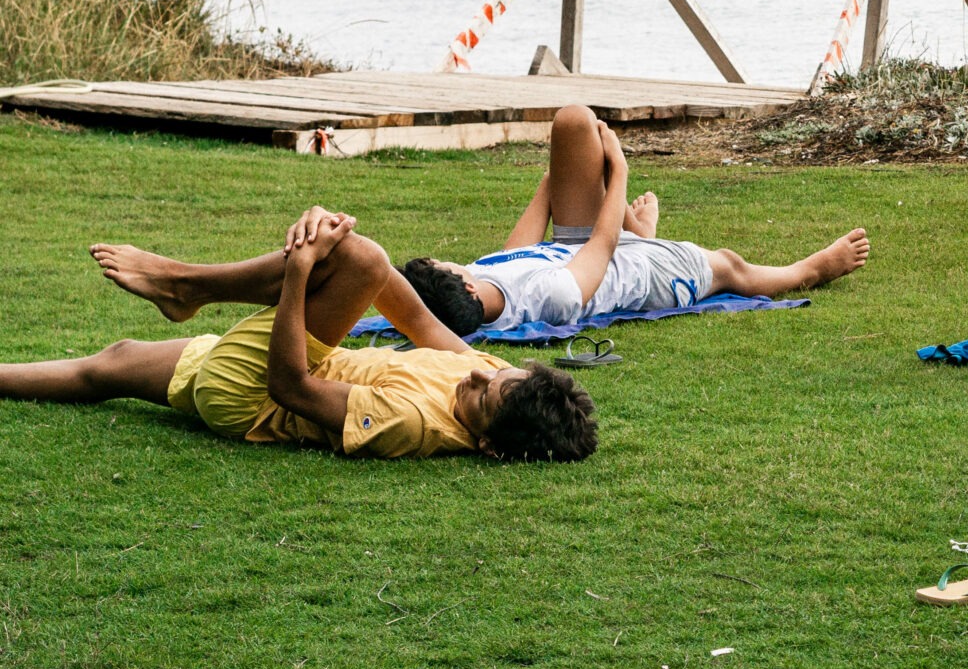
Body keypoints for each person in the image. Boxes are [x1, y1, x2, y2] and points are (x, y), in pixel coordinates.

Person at [11, 207, 596, 461]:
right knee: (109, 365)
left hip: (252, 393)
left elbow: (291, 388)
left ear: (488, 446)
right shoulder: (489, 375)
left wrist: (301, 273)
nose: (477, 374)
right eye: (497, 373)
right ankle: (184, 289)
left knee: (361, 259)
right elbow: (418, 321)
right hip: (253, 368)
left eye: (484, 395)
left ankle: (186, 286)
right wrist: (335, 240)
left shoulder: (413, 424)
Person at [396, 104, 870, 339]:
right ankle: (812, 269)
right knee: (727, 266)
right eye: (444, 264)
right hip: (629, 270)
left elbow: (517, 254)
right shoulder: (552, 297)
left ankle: (641, 235)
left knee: (573, 122)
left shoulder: (481, 284)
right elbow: (603, 246)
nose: (450, 260)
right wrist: (617, 169)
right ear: (467, 287)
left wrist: (556, 176)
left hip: (573, 249)